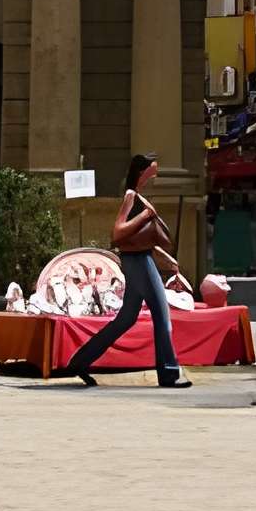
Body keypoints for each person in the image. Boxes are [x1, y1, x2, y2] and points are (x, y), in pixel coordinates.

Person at [65, 154, 194, 389]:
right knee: (162, 316)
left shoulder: (137, 196)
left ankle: (80, 361)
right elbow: (118, 233)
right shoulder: (131, 196)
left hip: (139, 259)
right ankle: (169, 373)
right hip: (138, 261)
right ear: (142, 172)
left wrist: (167, 259)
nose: (153, 178)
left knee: (126, 319)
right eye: (151, 173)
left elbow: (142, 239)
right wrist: (146, 215)